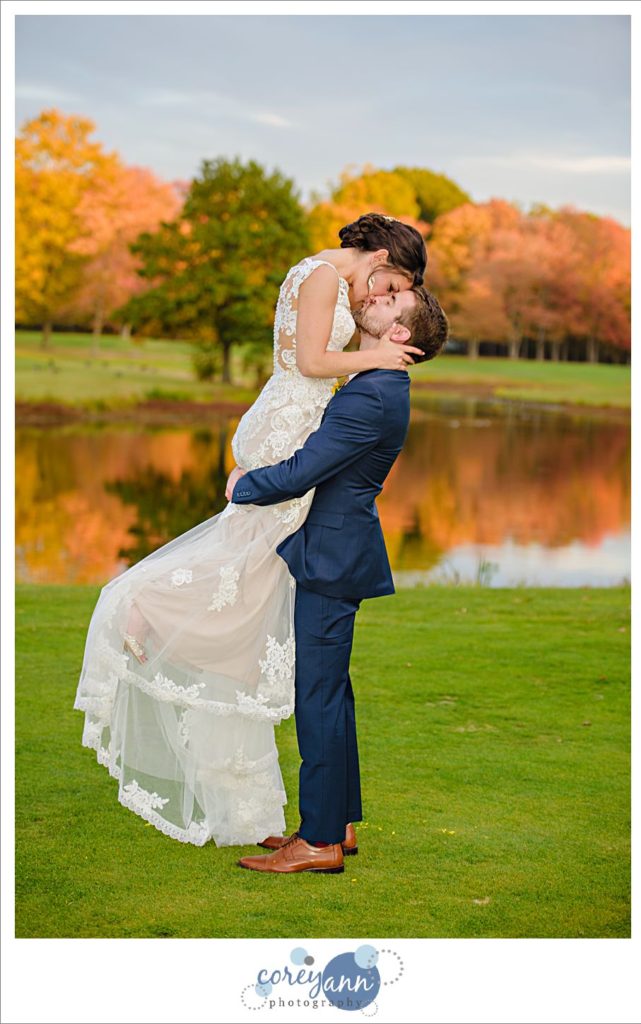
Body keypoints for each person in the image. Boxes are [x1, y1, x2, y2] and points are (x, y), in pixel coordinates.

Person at [73, 213, 429, 849]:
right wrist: (372, 355)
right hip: (295, 430)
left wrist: (367, 364)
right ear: (378, 254)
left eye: (393, 292)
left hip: (309, 452)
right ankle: (148, 604)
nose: (382, 294)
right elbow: (311, 360)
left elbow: (322, 375)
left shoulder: (359, 335)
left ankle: (312, 824)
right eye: (394, 281)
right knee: (245, 566)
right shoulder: (325, 277)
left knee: (254, 583)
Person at [230, 283, 449, 873]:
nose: (374, 301)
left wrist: (242, 485)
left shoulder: (372, 395)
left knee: (318, 694)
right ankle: (337, 822)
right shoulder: (376, 382)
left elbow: (305, 471)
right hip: (337, 550)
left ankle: (320, 841)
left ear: (399, 334)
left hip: (331, 556)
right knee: (332, 691)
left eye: (388, 303)